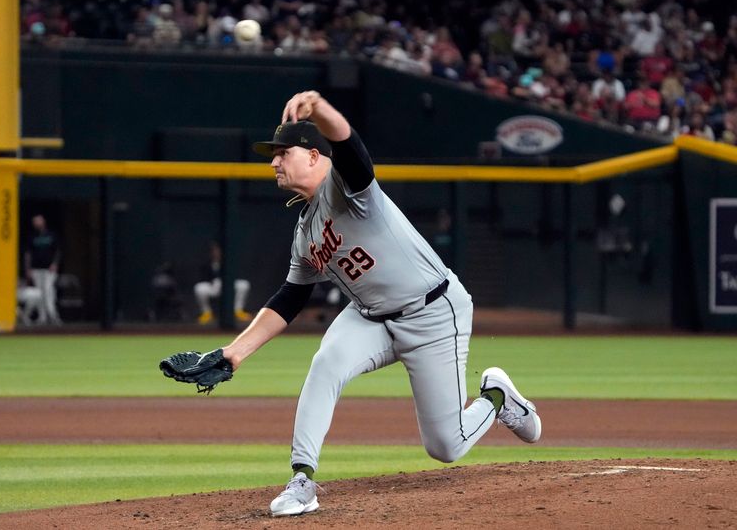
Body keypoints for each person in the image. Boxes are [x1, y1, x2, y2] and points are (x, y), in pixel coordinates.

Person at [205, 91, 542, 516]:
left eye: (282, 153)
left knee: (445, 446)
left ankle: (495, 396)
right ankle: (302, 481)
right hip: (369, 318)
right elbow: (290, 298)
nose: (273, 162)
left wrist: (321, 109)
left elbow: (351, 151)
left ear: (312, 156)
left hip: (433, 313)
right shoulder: (304, 230)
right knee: (325, 363)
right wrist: (234, 353)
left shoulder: (344, 187)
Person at [193, 241, 252, 324]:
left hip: (228, 286)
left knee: (244, 284)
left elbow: (234, 275)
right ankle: (206, 313)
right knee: (199, 288)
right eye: (214, 250)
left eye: (218, 250)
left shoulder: (229, 262)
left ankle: (237, 311)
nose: (216, 252)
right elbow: (203, 278)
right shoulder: (207, 264)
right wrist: (212, 281)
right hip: (213, 287)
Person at [24, 214, 61, 325]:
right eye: (35, 222)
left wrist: (55, 263)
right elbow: (28, 253)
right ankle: (42, 317)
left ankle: (53, 315)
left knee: (48, 291)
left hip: (49, 269)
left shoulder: (51, 235)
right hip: (36, 268)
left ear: (43, 222)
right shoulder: (32, 236)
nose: (36, 223)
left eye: (38, 221)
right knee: (39, 293)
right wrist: (28, 268)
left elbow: (58, 250)